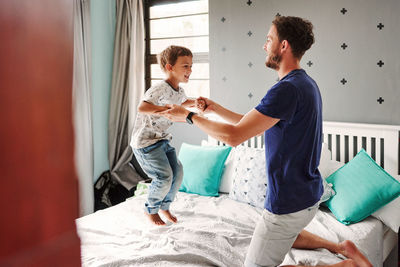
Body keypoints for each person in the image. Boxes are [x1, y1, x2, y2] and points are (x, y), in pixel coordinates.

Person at [160, 16, 372, 267]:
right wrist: (215, 108)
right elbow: (252, 124)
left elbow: (234, 137)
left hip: (288, 203)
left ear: (283, 46)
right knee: (285, 236)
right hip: (307, 194)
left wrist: (188, 117)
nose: (264, 45)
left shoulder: (286, 90)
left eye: (268, 39)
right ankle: (339, 247)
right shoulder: (303, 84)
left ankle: (347, 265)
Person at [131, 45, 205, 226]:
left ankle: (165, 205)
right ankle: (151, 209)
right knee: (164, 176)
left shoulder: (179, 91)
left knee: (178, 173)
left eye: (191, 66)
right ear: (169, 67)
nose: (190, 70)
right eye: (185, 66)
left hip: (162, 139)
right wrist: (163, 110)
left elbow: (182, 101)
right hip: (146, 142)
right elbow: (142, 107)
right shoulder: (159, 89)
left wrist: (196, 102)